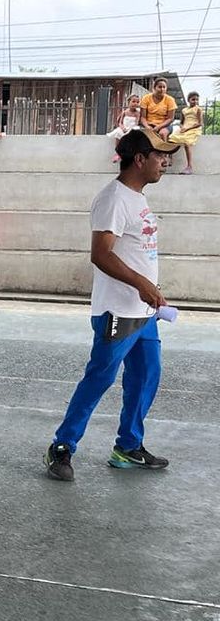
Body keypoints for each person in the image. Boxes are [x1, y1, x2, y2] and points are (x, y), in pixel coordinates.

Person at [43, 128, 179, 482]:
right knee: (100, 378)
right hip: (117, 312)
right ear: (140, 159)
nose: (165, 162)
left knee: (146, 376)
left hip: (143, 312)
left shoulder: (137, 198)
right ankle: (62, 446)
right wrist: (142, 284)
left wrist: (151, 290)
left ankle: (128, 447)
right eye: (160, 155)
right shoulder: (114, 199)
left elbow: (136, 252)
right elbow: (101, 255)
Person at [168, 91, 203, 175]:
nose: (195, 101)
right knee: (171, 139)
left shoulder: (198, 109)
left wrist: (187, 128)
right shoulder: (184, 110)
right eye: (193, 99)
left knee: (187, 143)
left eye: (197, 100)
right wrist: (182, 127)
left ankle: (189, 166)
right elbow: (181, 122)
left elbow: (200, 123)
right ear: (188, 100)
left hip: (194, 128)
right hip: (184, 128)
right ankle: (170, 158)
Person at [140, 77, 178, 141]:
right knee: (142, 135)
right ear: (154, 88)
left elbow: (170, 118)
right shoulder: (146, 98)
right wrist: (147, 127)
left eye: (164, 87)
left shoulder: (170, 100)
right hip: (149, 124)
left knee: (162, 133)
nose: (162, 89)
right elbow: (143, 117)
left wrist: (158, 127)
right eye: (160, 87)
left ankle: (164, 147)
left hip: (164, 125)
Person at [107, 95, 142, 163]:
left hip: (132, 128)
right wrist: (122, 128)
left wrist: (130, 129)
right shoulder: (125, 112)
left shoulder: (137, 113)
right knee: (118, 133)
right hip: (124, 128)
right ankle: (118, 152)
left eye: (137, 102)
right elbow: (120, 122)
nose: (135, 104)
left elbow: (136, 123)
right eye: (133, 101)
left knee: (134, 134)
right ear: (128, 102)